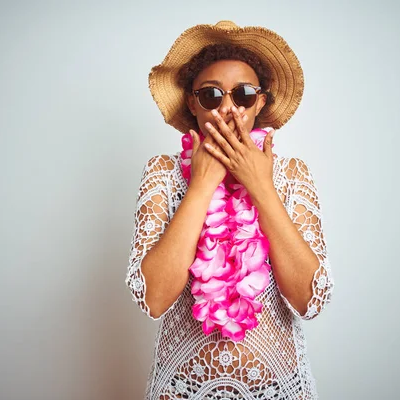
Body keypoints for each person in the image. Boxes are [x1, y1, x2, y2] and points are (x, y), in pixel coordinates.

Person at [126, 20, 334, 400]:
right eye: (211, 95)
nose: (227, 108)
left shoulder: (289, 174)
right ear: (192, 102)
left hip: (279, 389)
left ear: (260, 102)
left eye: (243, 94)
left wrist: (260, 185)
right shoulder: (164, 173)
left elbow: (309, 299)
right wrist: (202, 185)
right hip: (181, 390)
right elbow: (153, 298)